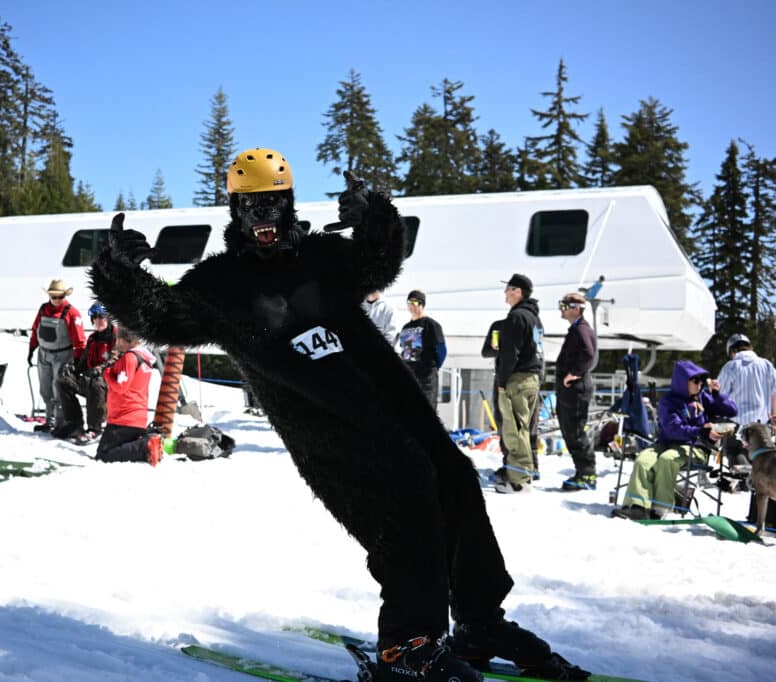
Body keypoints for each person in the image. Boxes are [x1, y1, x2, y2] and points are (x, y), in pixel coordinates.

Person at [91, 148, 587, 681]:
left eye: (273, 204)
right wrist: (117, 272)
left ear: (288, 204)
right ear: (235, 210)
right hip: (325, 430)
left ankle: (478, 621)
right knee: (406, 499)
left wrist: (375, 216)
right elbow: (163, 316)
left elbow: (379, 262)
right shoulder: (220, 284)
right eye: (251, 206)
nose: (264, 218)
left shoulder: (323, 257)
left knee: (455, 480)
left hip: (390, 403)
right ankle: (406, 647)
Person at [614, 360, 737, 520]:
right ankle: (638, 505)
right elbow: (673, 429)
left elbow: (732, 411)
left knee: (668, 459)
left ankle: (661, 508)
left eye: (701, 381)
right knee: (643, 460)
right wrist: (700, 430)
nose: (700, 384)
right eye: (695, 380)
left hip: (696, 447)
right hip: (667, 443)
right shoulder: (668, 402)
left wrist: (717, 395)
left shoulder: (703, 398)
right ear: (683, 381)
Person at [494, 273, 545, 494]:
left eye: (509, 289)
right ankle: (523, 473)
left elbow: (509, 353)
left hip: (517, 379)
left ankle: (518, 479)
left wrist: (502, 381)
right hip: (533, 378)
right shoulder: (535, 319)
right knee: (524, 427)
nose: (505, 293)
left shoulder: (516, 317)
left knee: (514, 429)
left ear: (518, 292)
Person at [93, 325, 161, 465]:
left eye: (118, 339)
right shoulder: (144, 357)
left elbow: (121, 386)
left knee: (103, 455)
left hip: (123, 417)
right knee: (114, 449)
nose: (117, 343)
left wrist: (107, 373)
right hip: (136, 416)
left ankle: (145, 447)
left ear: (125, 340)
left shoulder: (130, 357)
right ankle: (146, 443)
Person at [28, 279, 86, 433]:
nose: (57, 300)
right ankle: (49, 420)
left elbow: (80, 341)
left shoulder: (72, 313)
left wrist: (78, 360)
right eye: (54, 297)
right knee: (45, 389)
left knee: (58, 390)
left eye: (60, 297)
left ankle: (61, 423)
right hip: (43, 354)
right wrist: (31, 348)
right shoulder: (42, 310)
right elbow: (35, 330)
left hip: (63, 356)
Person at [55, 302, 117, 440]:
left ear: (108, 318)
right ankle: (74, 423)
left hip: (111, 383)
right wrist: (73, 368)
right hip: (90, 379)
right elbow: (83, 362)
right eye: (95, 317)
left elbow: (116, 359)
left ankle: (95, 428)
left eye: (101, 316)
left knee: (96, 383)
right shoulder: (93, 338)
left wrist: (100, 369)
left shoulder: (116, 337)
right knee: (63, 381)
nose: (98, 320)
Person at [555, 293, 598, 491]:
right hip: (571, 390)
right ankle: (582, 472)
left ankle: (587, 474)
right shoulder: (577, 329)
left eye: (564, 306)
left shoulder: (581, 329)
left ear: (575, 308)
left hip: (577, 389)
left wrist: (573, 374)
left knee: (576, 431)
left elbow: (588, 354)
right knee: (570, 430)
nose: (561, 309)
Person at [716, 333, 776, 467]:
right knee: (763, 456)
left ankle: (743, 477)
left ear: (732, 351)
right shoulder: (767, 365)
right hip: (762, 425)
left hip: (736, 424)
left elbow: (720, 396)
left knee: (734, 450)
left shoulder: (731, 367)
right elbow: (775, 392)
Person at [398, 289, 446, 410]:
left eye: (414, 302)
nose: (411, 306)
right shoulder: (406, 327)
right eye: (409, 302)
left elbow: (441, 350)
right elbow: (404, 351)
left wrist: (433, 367)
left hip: (426, 378)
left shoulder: (431, 325)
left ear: (421, 304)